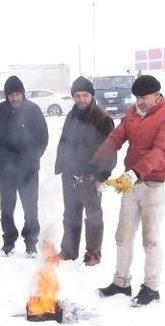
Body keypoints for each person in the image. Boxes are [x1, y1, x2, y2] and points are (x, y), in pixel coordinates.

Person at [88, 75, 165, 307]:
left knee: (150, 239)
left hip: (155, 185)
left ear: (157, 94)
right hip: (132, 183)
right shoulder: (132, 114)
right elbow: (115, 139)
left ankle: (151, 287)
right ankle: (121, 282)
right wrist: (95, 163)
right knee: (122, 236)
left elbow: (161, 152)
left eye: (144, 97)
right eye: (137, 97)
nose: (139, 102)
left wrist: (135, 173)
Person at [0, 76, 48, 257]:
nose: (14, 98)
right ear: (6, 96)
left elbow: (43, 137)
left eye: (17, 94)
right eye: (11, 95)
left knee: (30, 208)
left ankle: (30, 243)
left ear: (23, 93)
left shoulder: (33, 110)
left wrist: (33, 157)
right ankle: (9, 241)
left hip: (29, 170)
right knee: (6, 208)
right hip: (6, 170)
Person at [55, 76, 115, 266]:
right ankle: (69, 250)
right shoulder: (71, 115)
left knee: (93, 216)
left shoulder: (102, 118)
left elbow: (110, 149)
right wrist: (62, 166)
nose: (81, 99)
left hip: (91, 176)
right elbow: (64, 142)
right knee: (70, 214)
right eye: (77, 95)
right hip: (70, 174)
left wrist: (102, 175)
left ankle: (93, 254)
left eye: (85, 95)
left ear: (92, 95)